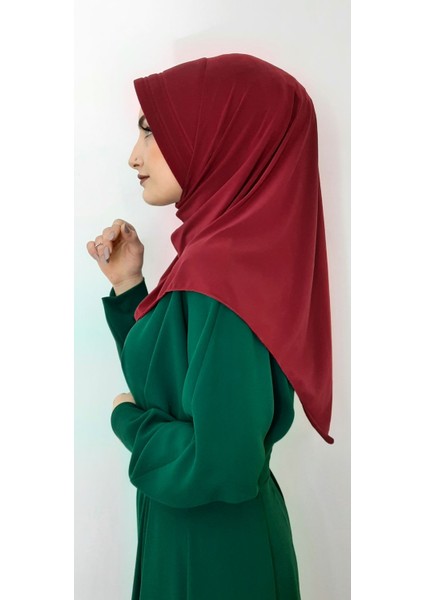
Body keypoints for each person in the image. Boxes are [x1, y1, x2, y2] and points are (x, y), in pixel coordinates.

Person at [86, 52, 333, 599]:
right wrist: (129, 286)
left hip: (215, 558)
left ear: (220, 136)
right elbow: (172, 388)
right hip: (196, 536)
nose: (134, 155)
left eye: (151, 131)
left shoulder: (221, 272)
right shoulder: (215, 255)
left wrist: (128, 421)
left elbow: (222, 462)